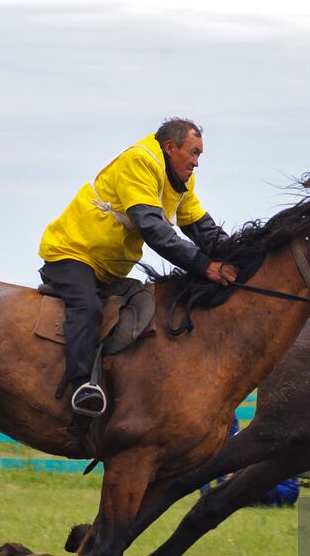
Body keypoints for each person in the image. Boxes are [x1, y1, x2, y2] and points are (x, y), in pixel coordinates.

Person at [38, 118, 238, 417]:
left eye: (200, 155)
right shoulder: (139, 161)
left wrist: (240, 254)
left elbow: (199, 226)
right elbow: (153, 229)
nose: (197, 163)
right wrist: (205, 266)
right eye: (193, 153)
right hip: (71, 254)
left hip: (108, 268)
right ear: (170, 147)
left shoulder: (181, 181)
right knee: (89, 308)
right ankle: (81, 387)